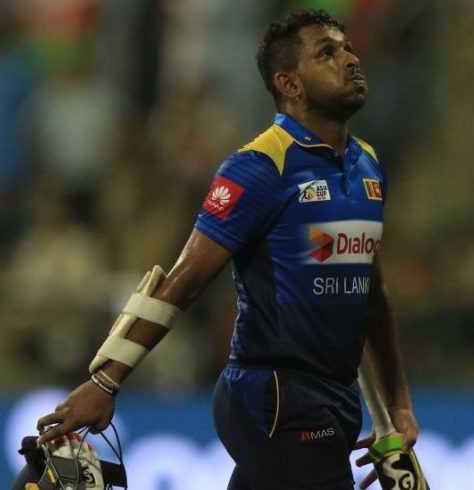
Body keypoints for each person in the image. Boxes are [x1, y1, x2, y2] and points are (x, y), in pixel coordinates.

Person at [36, 10, 420, 489]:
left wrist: (395, 405)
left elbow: (370, 294)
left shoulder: (368, 165)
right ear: (289, 84)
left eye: (347, 49)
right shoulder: (259, 168)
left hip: (336, 396)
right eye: (327, 53)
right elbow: (184, 281)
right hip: (276, 395)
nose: (350, 59)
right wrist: (105, 382)